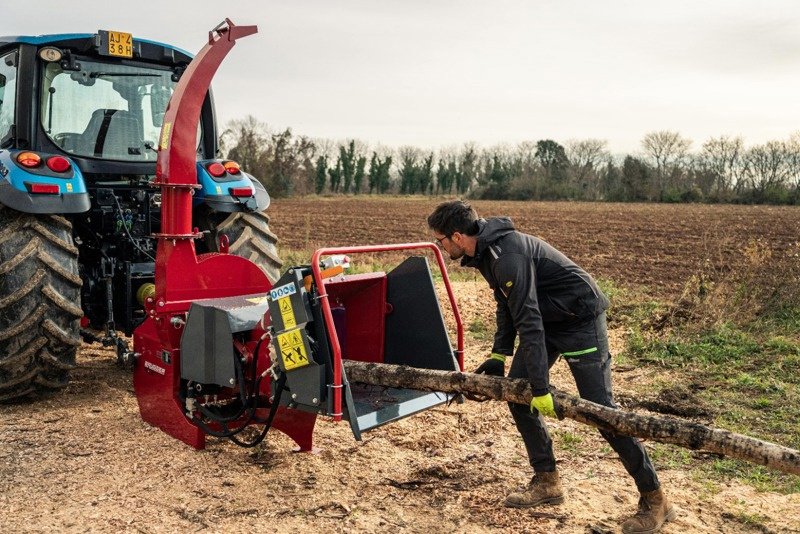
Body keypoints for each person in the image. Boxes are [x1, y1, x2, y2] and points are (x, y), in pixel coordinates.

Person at [427, 200, 676, 534]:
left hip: (579, 318)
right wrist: (499, 355)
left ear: (457, 236)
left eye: (440, 241)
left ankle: (656, 500)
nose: (440, 248)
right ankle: (548, 482)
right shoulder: (485, 253)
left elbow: (528, 321)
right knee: (518, 397)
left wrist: (542, 388)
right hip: (548, 319)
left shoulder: (508, 256)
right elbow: (506, 305)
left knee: (601, 410)